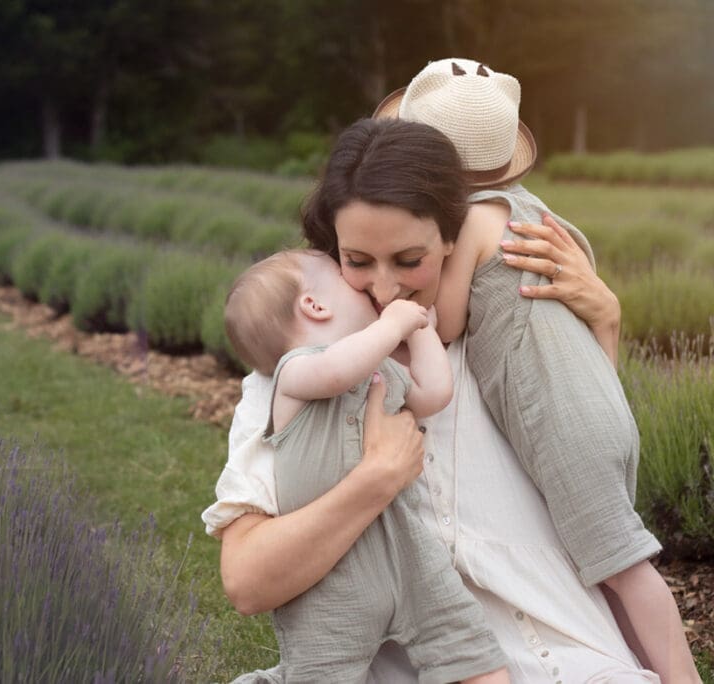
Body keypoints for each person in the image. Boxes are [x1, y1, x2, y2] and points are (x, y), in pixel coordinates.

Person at [203, 117, 663, 682]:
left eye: (408, 260)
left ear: (452, 237)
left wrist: (604, 327)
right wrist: (375, 479)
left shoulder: (502, 342)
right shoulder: (293, 384)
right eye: (357, 261)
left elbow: (589, 472)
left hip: (564, 655)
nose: (385, 288)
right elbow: (247, 583)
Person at [367, 57, 698, 682]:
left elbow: (449, 321)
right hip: (596, 403)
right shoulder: (530, 210)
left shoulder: (471, 219)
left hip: (560, 426)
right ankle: (640, 664)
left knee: (624, 568)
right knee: (610, 566)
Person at [223, 247, 508, 683]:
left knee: (469, 645)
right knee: (321, 673)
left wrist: (421, 330)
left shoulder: (381, 369)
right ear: (314, 305)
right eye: (346, 278)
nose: (376, 294)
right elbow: (337, 372)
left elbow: (433, 393)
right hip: (332, 579)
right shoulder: (295, 373)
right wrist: (392, 325)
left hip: (405, 550)